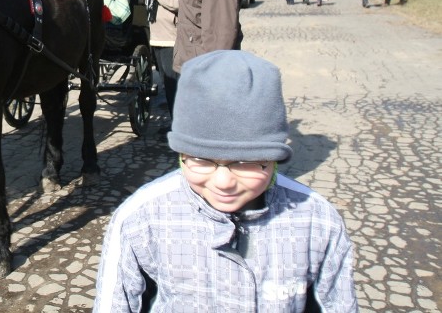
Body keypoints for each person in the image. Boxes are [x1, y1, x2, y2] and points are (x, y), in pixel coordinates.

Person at [94, 50, 358, 313]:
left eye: (246, 162)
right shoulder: (140, 219)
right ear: (181, 154)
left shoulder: (318, 222)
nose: (223, 182)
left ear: (274, 157)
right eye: (200, 160)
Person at [137, 0, 185, 115]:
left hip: (171, 39)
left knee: (174, 86)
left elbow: (175, 1)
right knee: (167, 83)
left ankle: (178, 125)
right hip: (159, 37)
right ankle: (175, 122)